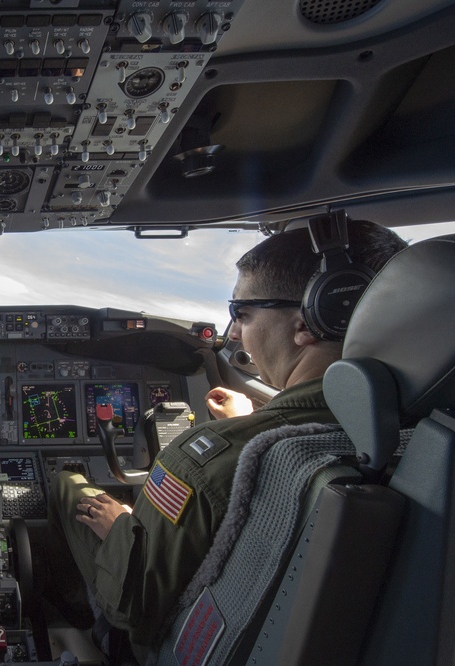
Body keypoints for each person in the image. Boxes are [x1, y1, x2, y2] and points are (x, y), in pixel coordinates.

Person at [46, 219, 408, 662]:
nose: (232, 333)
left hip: (157, 642)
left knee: (67, 484)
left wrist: (122, 524)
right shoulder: (414, 436)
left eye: (243, 312)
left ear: (308, 324)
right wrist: (256, 422)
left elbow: (132, 602)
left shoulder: (202, 459)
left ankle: (67, 620)